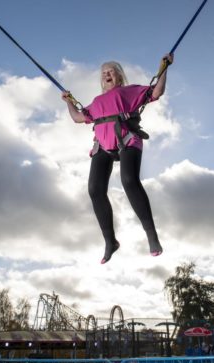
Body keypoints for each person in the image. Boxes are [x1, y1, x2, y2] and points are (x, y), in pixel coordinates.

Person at [62, 54, 174, 264]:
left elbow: (157, 91)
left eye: (111, 71)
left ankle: (151, 234)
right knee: (94, 189)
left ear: (119, 76)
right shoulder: (96, 103)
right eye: (104, 73)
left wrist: (164, 67)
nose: (107, 74)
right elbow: (78, 117)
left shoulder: (128, 92)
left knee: (129, 181)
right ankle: (110, 241)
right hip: (103, 146)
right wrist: (69, 102)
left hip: (127, 139)